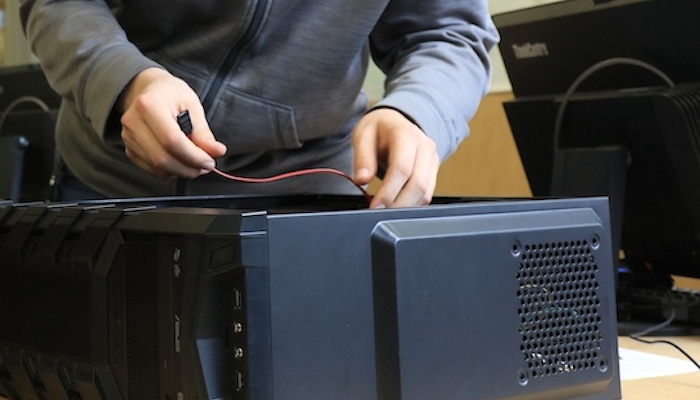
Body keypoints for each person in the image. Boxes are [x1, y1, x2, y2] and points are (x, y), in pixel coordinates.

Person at [19, 0, 499, 208]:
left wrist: (417, 111)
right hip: (110, 187)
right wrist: (124, 80)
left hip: (306, 200)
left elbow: (448, 32)